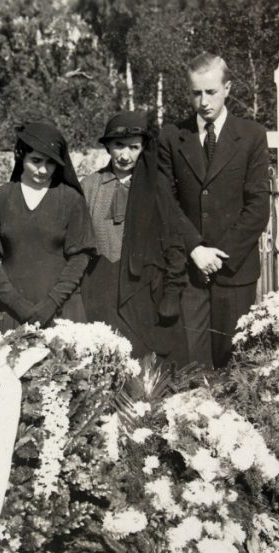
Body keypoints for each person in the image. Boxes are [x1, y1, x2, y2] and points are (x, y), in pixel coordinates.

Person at [158, 52, 272, 369]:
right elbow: (166, 202)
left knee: (234, 366)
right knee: (190, 366)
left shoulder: (251, 136)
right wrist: (195, 248)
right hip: (189, 271)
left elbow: (258, 208)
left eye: (210, 92)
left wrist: (219, 255)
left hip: (234, 272)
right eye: (196, 93)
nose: (203, 101)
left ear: (227, 88)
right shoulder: (171, 137)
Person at [81, 111, 188, 365]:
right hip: (100, 291)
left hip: (143, 291)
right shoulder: (89, 186)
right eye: (118, 146)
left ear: (143, 148)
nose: (125, 155)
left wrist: (172, 293)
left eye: (133, 147)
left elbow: (174, 242)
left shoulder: (156, 186)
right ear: (108, 145)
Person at [0, 120, 95, 333]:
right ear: (20, 156)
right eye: (35, 161)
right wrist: (16, 303)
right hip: (12, 313)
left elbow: (80, 257)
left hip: (62, 312)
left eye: (51, 163)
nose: (43, 170)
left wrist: (51, 303)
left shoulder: (71, 199)